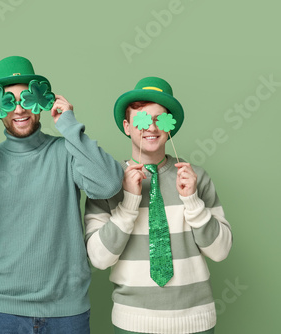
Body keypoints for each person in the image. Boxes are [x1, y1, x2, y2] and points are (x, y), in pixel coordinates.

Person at [0, 56, 124, 333]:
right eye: (8, 101)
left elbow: (108, 185)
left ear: (43, 103)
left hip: (67, 313)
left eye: (27, 98)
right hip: (2, 312)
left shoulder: (67, 153)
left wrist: (70, 126)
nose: (20, 109)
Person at [84, 77, 233, 334]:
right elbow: (99, 259)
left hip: (196, 320)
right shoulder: (107, 183)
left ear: (170, 127)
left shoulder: (195, 178)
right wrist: (129, 202)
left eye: (159, 119)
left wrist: (192, 201)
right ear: (127, 126)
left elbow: (220, 252)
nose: (150, 128)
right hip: (132, 322)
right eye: (141, 120)